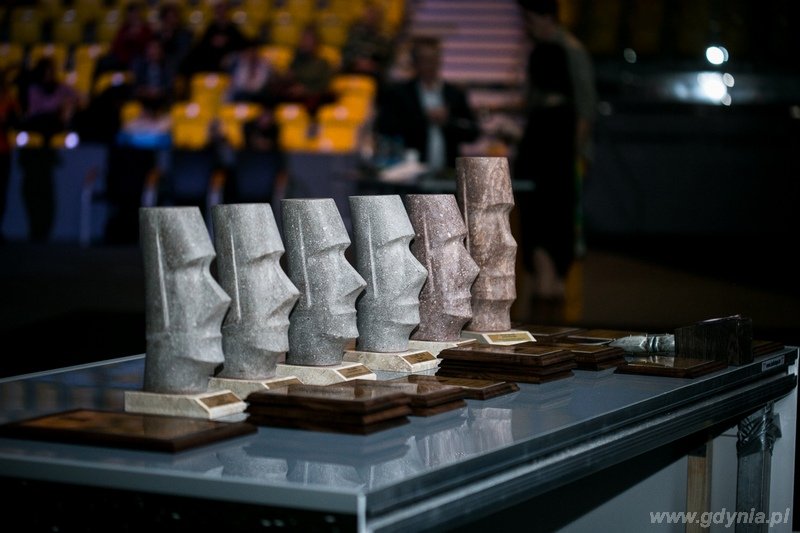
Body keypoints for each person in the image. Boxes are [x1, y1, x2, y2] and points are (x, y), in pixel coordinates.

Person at [514, 0, 597, 301]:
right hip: (548, 140)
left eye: (530, 18)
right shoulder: (541, 49)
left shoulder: (570, 50)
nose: (527, 25)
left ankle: (549, 281)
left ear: (546, 17)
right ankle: (547, 281)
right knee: (544, 212)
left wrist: (573, 152)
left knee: (552, 212)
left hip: (558, 143)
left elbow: (586, 107)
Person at [376, 36, 480, 177]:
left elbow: (472, 132)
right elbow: (385, 128)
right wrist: (424, 118)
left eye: (433, 59)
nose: (429, 65)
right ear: (414, 62)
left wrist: (447, 121)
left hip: (447, 173)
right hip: (409, 174)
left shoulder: (454, 94)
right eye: (424, 60)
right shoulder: (399, 93)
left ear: (439, 60)